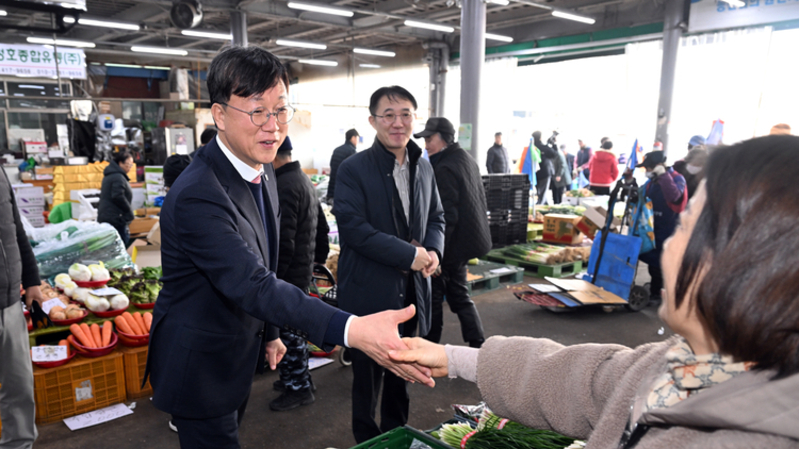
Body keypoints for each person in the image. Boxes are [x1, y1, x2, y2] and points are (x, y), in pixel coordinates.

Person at [390, 135, 799, 449]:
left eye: (690, 224)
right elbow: (586, 380)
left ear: (753, 263)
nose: (670, 245)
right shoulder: (690, 362)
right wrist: (454, 357)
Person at [145, 48, 434, 449]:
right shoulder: (198, 193)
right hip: (201, 363)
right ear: (220, 114)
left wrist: (271, 332)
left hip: (237, 351)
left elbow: (268, 259)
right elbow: (254, 283)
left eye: (281, 111)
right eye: (257, 111)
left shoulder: (260, 169)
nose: (272, 126)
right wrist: (351, 328)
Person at [334, 85, 445, 443]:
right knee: (366, 379)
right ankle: (367, 441)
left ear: (415, 119)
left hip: (411, 293)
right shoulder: (353, 169)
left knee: (404, 373)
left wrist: (434, 251)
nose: (398, 123)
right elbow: (354, 230)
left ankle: (396, 436)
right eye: (389, 115)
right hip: (370, 292)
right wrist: (412, 256)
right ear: (373, 121)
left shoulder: (423, 168)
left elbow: (437, 217)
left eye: (406, 115)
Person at [414, 117, 491, 349]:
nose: (426, 144)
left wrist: (436, 253)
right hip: (468, 240)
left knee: (434, 296)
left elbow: (447, 216)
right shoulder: (465, 158)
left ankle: (430, 346)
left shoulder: (444, 167)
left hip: (453, 244)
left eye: (430, 138)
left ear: (444, 138)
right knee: (458, 293)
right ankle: (478, 342)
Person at [269, 136, 322, 411]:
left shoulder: (285, 185)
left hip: (290, 275)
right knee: (295, 332)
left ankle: (298, 389)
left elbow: (284, 242)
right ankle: (298, 379)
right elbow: (321, 229)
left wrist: (274, 280)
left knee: (289, 334)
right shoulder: (301, 179)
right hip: (301, 270)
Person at [0, 166, 45, 449]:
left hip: (9, 305)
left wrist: (32, 280)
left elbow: (15, 227)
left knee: (19, 388)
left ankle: (19, 446)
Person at [636, 151, 686, 302]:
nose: (647, 171)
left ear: (658, 166)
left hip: (669, 227)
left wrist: (664, 176)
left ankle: (661, 293)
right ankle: (655, 289)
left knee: (664, 264)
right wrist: (628, 180)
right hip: (653, 227)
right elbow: (640, 194)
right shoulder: (652, 182)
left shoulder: (677, 178)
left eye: (649, 168)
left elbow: (675, 197)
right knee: (653, 262)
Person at [98, 150, 135, 247]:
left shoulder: (112, 175)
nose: (130, 167)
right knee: (120, 244)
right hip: (115, 218)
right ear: (120, 163)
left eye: (131, 165)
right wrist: (128, 210)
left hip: (109, 216)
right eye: (128, 164)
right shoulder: (117, 177)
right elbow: (118, 196)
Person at [327, 128, 359, 206]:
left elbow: (331, 165)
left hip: (332, 189)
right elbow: (354, 173)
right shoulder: (352, 151)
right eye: (357, 139)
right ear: (353, 138)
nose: (357, 141)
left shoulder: (336, 150)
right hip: (343, 191)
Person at [532, 131, 557, 205]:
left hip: (536, 174)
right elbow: (554, 154)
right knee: (542, 194)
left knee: (541, 192)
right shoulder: (543, 147)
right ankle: (539, 208)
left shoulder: (532, 147)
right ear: (540, 137)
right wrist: (554, 144)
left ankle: (545, 206)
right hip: (545, 173)